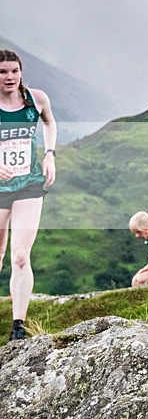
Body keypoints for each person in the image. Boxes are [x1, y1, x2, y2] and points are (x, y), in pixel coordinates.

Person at [0, 49, 57, 341]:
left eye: (13, 71)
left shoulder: (36, 99)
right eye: (2, 72)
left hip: (28, 184)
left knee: (21, 256)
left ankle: (18, 326)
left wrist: (49, 154)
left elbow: (49, 122)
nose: (9, 77)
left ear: (21, 72)